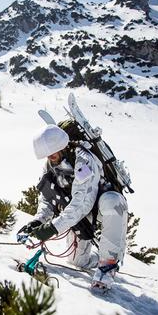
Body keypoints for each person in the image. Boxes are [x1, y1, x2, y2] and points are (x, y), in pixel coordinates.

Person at [17, 124, 128, 289]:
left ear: (62, 147)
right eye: (47, 156)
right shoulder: (51, 164)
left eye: (52, 154)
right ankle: (100, 257)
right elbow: (47, 197)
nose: (49, 158)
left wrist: (53, 227)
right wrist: (38, 221)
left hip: (101, 205)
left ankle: (109, 264)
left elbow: (83, 202)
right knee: (77, 261)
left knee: (112, 202)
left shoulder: (84, 160)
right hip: (80, 211)